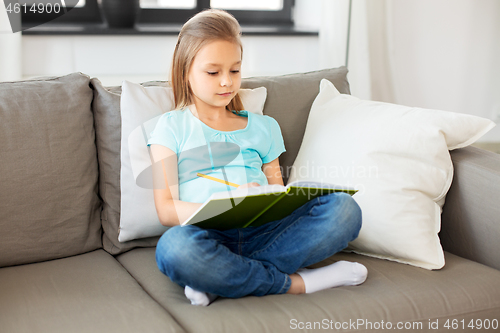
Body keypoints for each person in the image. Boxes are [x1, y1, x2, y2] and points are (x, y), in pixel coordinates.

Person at [147, 9, 367, 306]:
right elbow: (166, 210)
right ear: (186, 72)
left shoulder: (264, 126)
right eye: (213, 72)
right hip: (208, 235)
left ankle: (220, 280)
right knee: (173, 249)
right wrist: (227, 205)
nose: (227, 82)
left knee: (345, 210)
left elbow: (277, 191)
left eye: (234, 70)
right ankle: (297, 283)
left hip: (267, 232)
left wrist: (266, 196)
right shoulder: (170, 127)